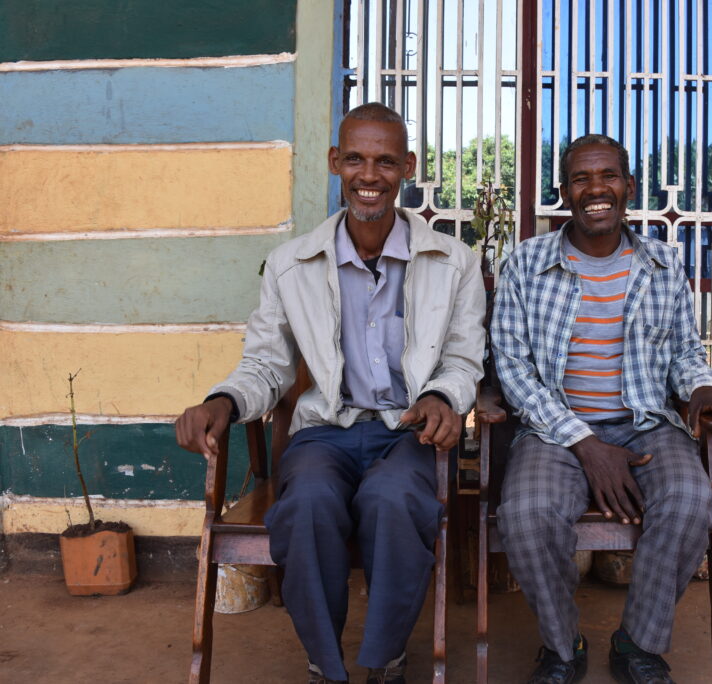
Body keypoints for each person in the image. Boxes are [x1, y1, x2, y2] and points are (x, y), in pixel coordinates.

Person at [175, 102, 485, 684]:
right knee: (308, 506)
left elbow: (465, 358)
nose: (370, 176)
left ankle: (386, 660)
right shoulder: (290, 265)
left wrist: (443, 396)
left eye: (386, 161)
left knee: (394, 503)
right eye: (356, 160)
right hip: (325, 432)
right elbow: (266, 365)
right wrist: (222, 402)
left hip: (407, 432)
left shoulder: (454, 262)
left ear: (408, 167)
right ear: (334, 162)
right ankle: (326, 663)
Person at [490, 134, 712, 684]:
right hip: (553, 429)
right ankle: (562, 646)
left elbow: (684, 353)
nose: (595, 189)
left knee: (691, 502)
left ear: (629, 186)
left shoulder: (663, 264)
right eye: (581, 179)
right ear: (564, 191)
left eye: (608, 177)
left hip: (646, 423)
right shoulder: (526, 264)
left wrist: (702, 388)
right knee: (526, 516)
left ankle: (638, 644)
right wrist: (585, 442)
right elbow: (511, 367)